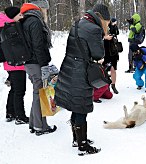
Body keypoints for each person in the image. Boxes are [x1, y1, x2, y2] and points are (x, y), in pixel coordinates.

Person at [54, 4, 111, 155]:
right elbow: (98, 54)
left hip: (69, 66)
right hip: (81, 72)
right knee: (81, 108)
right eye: (106, 21)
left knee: (76, 104)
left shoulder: (78, 22)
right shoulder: (95, 29)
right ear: (101, 17)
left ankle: (76, 139)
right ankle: (82, 145)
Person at [20, 2, 56, 135]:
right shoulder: (34, 21)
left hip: (29, 62)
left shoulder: (25, 19)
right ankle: (40, 126)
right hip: (36, 63)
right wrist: (44, 65)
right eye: (45, 9)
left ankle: (34, 123)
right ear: (40, 8)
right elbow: (38, 45)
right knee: (40, 93)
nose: (45, 12)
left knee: (37, 92)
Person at [0, 7, 28, 123]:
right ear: (12, 16)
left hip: (9, 63)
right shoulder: (11, 28)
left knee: (14, 89)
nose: (21, 17)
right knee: (20, 90)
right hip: (16, 63)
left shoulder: (3, 25)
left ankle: (10, 113)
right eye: (19, 15)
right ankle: (20, 117)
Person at [103, 17, 120, 94]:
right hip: (104, 51)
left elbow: (116, 33)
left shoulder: (113, 26)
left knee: (113, 69)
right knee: (104, 69)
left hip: (113, 50)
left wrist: (113, 26)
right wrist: (105, 37)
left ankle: (113, 85)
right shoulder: (101, 27)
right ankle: (105, 86)